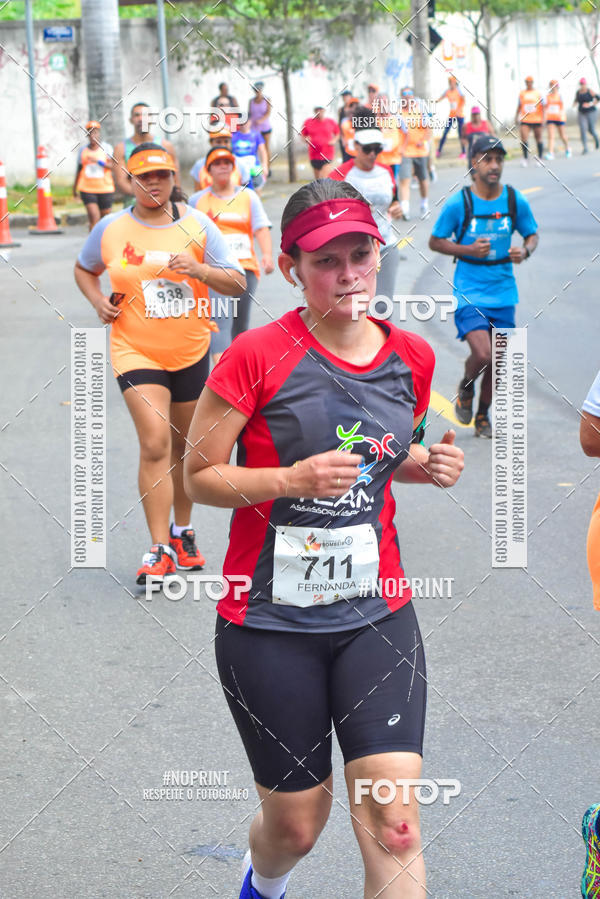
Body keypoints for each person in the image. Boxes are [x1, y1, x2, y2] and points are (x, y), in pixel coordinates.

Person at [183, 177, 464, 899]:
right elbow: (198, 477)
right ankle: (263, 884)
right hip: (268, 622)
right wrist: (289, 480)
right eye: (326, 260)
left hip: (378, 613)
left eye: (359, 255)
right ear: (290, 269)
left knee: (397, 824)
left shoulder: (412, 355)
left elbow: (379, 454)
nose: (348, 275)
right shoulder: (255, 354)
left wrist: (422, 464)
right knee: (297, 823)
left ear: (378, 254)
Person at [74, 143, 245, 584]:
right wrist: (98, 302)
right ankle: (159, 547)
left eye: (162, 175)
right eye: (143, 177)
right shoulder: (111, 228)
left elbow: (238, 283)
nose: (153, 183)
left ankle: (183, 533)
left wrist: (199, 269)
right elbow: (84, 268)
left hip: (191, 351)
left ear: (174, 178)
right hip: (135, 350)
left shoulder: (199, 225)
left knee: (184, 448)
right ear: (128, 181)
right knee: (154, 442)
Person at [428, 136, 538, 438]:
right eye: (487, 159)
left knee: (498, 362)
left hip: (503, 291)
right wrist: (467, 250)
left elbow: (532, 234)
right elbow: (435, 241)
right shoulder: (459, 202)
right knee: (484, 354)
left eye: (498, 159)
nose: (494, 165)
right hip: (469, 291)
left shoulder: (515, 200)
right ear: (473, 163)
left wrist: (525, 251)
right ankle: (466, 386)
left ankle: (482, 416)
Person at [189, 146, 274, 363]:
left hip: (245, 269)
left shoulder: (248, 196)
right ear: (208, 170)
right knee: (220, 324)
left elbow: (261, 228)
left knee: (239, 329)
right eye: (217, 163)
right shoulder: (197, 201)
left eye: (227, 162)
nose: (223, 167)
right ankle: (222, 387)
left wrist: (267, 255)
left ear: (234, 167)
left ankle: (239, 379)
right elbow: (187, 235)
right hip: (213, 270)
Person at [331, 125, 403, 298]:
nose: (372, 154)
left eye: (377, 149)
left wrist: (396, 208)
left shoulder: (385, 171)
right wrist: (354, 211)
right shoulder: (340, 175)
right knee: (357, 308)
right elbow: (328, 215)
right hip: (353, 251)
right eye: (367, 149)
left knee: (383, 307)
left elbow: (393, 201)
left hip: (385, 244)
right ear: (356, 146)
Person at [112, 101, 180, 197]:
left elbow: (175, 179)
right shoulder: (121, 148)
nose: (141, 119)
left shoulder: (166, 146)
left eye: (145, 115)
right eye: (137, 115)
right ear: (131, 120)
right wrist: (146, 197)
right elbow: (121, 181)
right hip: (134, 204)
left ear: (151, 119)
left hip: (162, 204)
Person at [73, 120, 115, 230]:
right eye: (90, 133)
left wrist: (99, 162)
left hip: (105, 188)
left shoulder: (107, 148)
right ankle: (93, 245)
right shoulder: (83, 150)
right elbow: (79, 169)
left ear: (99, 133)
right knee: (93, 217)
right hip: (87, 188)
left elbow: (113, 166)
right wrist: (74, 189)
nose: (92, 135)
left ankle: (103, 243)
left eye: (95, 132)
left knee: (105, 220)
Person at [398, 88, 431, 220]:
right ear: (401, 97)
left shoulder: (420, 109)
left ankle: (424, 204)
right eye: (405, 95)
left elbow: (429, 129)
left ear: (413, 96)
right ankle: (405, 208)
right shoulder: (398, 112)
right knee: (405, 179)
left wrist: (422, 140)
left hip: (420, 151)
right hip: (406, 151)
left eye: (410, 94)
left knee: (423, 179)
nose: (407, 97)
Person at [300, 106, 339, 179]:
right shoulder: (308, 122)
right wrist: (306, 139)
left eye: (321, 110)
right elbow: (302, 135)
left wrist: (334, 140)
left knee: (323, 178)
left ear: (324, 111)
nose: (319, 112)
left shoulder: (330, 121)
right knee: (318, 180)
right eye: (317, 110)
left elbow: (338, 133)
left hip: (327, 153)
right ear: (314, 111)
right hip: (314, 154)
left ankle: (326, 189)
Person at [231, 118, 269, 190]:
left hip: (254, 168)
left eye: (246, 121)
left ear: (250, 122)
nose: (244, 124)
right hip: (239, 169)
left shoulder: (256, 135)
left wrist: (265, 165)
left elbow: (263, 151)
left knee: (257, 190)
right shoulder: (233, 136)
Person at [516, 76, 545, 166]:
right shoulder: (522, 93)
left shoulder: (538, 93)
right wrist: (516, 116)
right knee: (524, 137)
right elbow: (519, 105)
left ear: (532, 83)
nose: (529, 83)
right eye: (527, 82)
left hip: (537, 119)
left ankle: (540, 158)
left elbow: (543, 106)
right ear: (525, 83)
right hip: (525, 118)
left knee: (538, 138)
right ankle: (525, 158)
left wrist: (544, 118)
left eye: (530, 82)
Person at [436, 74, 466, 159]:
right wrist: (434, 102)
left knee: (461, 134)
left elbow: (464, 100)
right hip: (452, 115)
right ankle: (439, 151)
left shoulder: (458, 90)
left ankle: (463, 152)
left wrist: (459, 109)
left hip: (460, 115)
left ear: (455, 83)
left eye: (453, 82)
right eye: (450, 83)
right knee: (445, 132)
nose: (451, 84)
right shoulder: (448, 91)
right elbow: (440, 98)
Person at [544, 80, 571, 159]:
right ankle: (551, 153)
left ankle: (567, 148)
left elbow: (562, 108)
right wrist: (544, 118)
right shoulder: (547, 97)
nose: (553, 88)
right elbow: (545, 108)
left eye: (555, 86)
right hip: (550, 118)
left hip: (559, 118)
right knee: (551, 136)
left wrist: (563, 117)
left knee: (562, 136)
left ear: (557, 87)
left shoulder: (560, 96)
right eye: (552, 86)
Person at [574, 77, 600, 154]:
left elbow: (598, 98)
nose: (582, 85)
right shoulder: (578, 92)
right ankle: (585, 147)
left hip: (591, 112)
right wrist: (574, 104)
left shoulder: (590, 91)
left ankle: (596, 138)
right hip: (581, 113)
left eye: (583, 84)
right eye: (581, 84)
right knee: (583, 129)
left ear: (586, 84)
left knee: (591, 129)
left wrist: (590, 104)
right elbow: (576, 100)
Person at [249, 82, 273, 158]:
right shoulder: (251, 101)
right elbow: (249, 113)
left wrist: (261, 120)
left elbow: (268, 113)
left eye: (259, 90)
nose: (257, 92)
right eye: (256, 90)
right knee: (254, 148)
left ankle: (268, 168)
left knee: (266, 148)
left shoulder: (267, 99)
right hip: (254, 128)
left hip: (265, 127)